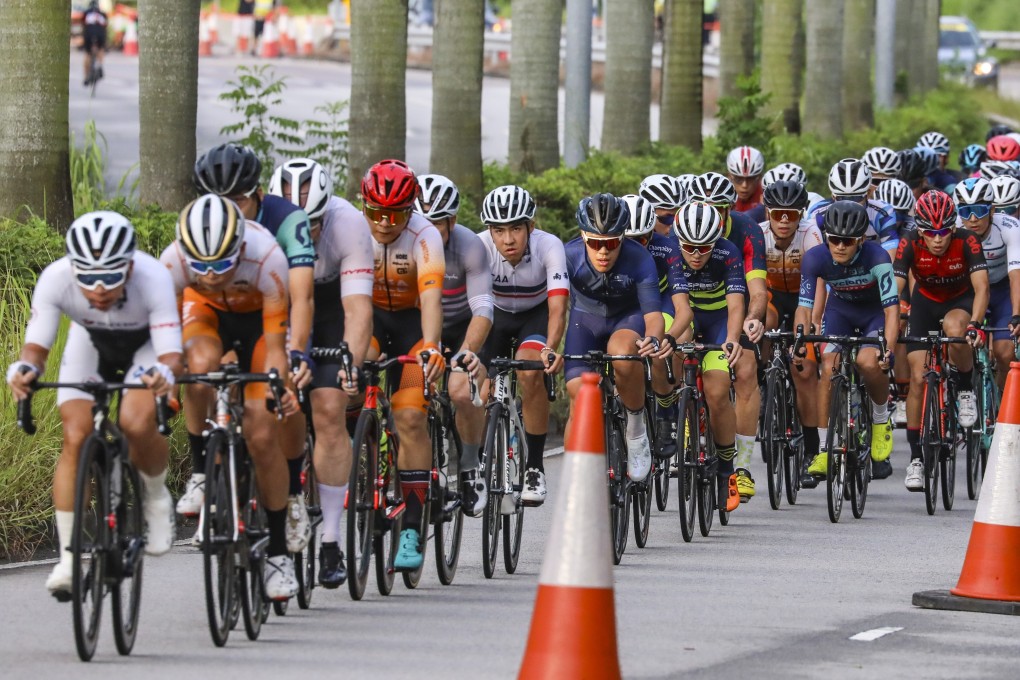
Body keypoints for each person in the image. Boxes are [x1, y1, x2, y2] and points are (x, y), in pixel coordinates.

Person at [8, 212, 181, 599]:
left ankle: (155, 496)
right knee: (75, 436)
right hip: (90, 345)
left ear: (130, 266)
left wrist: (163, 376)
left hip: (144, 348)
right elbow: (36, 348)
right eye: (86, 277)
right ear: (73, 268)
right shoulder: (55, 278)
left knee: (135, 423)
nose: (99, 288)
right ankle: (69, 559)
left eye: (110, 276)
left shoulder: (153, 278)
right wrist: (24, 369)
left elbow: (171, 355)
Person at [162, 194, 300, 599]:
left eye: (221, 265)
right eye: (199, 266)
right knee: (198, 370)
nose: (209, 275)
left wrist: (281, 387)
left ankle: (278, 553)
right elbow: (167, 342)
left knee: (261, 434)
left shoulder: (268, 256)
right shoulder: (172, 263)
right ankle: (203, 472)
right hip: (205, 314)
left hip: (261, 323)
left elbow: (277, 349)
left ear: (239, 248)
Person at [192, 144, 316, 557]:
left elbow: (301, 297)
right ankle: (208, 473)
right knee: (200, 370)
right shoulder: (198, 225)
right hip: (220, 315)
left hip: (272, 318)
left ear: (258, 192)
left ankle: (294, 488)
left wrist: (297, 352)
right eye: (219, 200)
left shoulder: (285, 220)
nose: (231, 210)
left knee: (276, 409)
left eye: (240, 200)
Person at [268, 158, 374, 588]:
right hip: (283, 303)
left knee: (330, 408)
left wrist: (351, 361)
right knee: (280, 402)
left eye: (312, 223)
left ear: (326, 211)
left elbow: (358, 308)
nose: (304, 233)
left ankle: (330, 539)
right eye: (294, 222)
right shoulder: (262, 227)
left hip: (331, 303)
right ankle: (289, 493)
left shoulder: (349, 226)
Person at [360, 160, 446, 571]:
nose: (383, 223)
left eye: (394, 214)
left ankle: (412, 524)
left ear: (411, 210)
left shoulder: (425, 236)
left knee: (410, 416)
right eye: (375, 212)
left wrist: (431, 347)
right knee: (345, 378)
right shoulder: (353, 230)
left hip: (413, 328)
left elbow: (431, 298)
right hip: (370, 322)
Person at [564, 194, 669, 481]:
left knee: (623, 354)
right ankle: (578, 472)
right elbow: (556, 306)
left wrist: (654, 339)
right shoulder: (568, 256)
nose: (602, 252)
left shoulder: (639, 257)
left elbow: (653, 316)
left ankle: (636, 430)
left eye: (611, 243)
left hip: (628, 317)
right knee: (579, 392)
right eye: (595, 243)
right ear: (582, 237)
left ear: (622, 238)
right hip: (585, 320)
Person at [796, 202, 899, 485]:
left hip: (874, 314)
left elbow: (892, 312)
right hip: (840, 310)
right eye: (834, 239)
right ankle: (826, 448)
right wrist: (800, 342)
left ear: (861, 240)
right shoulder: (814, 258)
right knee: (828, 366)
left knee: (867, 361)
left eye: (848, 241)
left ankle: (880, 420)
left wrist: (886, 350)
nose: (839, 246)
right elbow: (803, 309)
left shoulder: (878, 258)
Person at [477, 185, 568, 506]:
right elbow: (469, 306)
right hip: (494, 316)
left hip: (535, 316)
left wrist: (551, 347)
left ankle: (534, 467)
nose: (508, 239)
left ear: (531, 225)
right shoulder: (479, 247)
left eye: (516, 228)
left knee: (530, 374)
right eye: (498, 230)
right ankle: (477, 460)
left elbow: (558, 306)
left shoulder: (549, 246)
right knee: (481, 388)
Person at [894, 190, 989, 491]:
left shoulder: (966, 241)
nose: (938, 239)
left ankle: (963, 388)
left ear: (953, 227)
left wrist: (975, 324)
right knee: (920, 378)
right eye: (931, 233)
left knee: (955, 327)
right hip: (925, 302)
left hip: (960, 300)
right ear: (920, 230)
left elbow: (982, 287)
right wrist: (892, 316)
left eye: (944, 231)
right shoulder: (909, 241)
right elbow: (896, 287)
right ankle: (916, 458)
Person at [414, 174, 494, 517]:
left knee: (462, 390)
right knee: (412, 391)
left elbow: (484, 308)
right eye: (421, 222)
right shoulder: (403, 244)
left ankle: (469, 464)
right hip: (419, 325)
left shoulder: (469, 246)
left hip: (463, 325)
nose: (428, 232)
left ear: (453, 221)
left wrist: (465, 353)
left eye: (437, 224)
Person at [687, 172, 767, 502]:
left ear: (730, 209)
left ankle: (743, 468)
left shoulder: (746, 230)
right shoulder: (682, 225)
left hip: (732, 309)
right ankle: (683, 429)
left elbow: (757, 291)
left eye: (718, 209)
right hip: (689, 309)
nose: (709, 215)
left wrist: (751, 320)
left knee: (745, 370)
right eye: (701, 206)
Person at [673, 201, 745, 512]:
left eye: (704, 247)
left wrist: (731, 341)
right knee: (676, 345)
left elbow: (735, 305)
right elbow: (676, 310)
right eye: (690, 246)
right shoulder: (672, 254)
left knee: (717, 390)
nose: (697, 254)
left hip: (717, 321)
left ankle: (727, 470)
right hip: (686, 316)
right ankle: (680, 406)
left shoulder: (727, 253)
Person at [621, 193, 694, 457]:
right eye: (627, 240)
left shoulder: (666, 248)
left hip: (660, 302)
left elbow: (684, 308)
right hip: (626, 307)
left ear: (651, 233)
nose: (635, 247)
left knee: (664, 345)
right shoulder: (606, 250)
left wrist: (671, 338)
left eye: (641, 239)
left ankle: (666, 408)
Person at [758, 180, 824, 471]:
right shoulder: (758, 234)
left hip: (803, 297)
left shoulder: (810, 234)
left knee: (805, 369)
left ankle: (812, 447)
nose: (784, 221)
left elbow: (818, 281)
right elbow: (753, 286)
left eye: (792, 214)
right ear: (768, 211)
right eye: (778, 213)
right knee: (764, 321)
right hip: (771, 296)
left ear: (802, 213)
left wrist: (814, 321)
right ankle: (762, 379)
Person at [953, 178, 1020, 387]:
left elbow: (1016, 275)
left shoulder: (1010, 227)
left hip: (1001, 290)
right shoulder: (953, 228)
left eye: (980, 210)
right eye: (966, 211)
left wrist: (1017, 315)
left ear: (991, 211)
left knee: (1004, 352)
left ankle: (1002, 406)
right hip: (969, 290)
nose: (973, 219)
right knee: (954, 339)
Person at [809, 159, 899, 253]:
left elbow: (890, 259)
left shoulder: (883, 213)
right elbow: (814, 256)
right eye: (841, 198)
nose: (849, 205)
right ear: (833, 197)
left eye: (855, 198)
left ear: (868, 194)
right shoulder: (817, 214)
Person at [726, 145, 767, 223]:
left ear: (759, 177)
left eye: (751, 179)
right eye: (738, 179)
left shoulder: (766, 193)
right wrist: (759, 210)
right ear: (729, 176)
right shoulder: (721, 193)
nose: (744, 185)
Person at [81, 0, 108, 87]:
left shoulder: (86, 13)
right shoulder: (103, 14)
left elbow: (83, 25)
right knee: (100, 49)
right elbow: (105, 27)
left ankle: (85, 77)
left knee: (87, 54)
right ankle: (100, 66)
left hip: (89, 34)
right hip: (100, 34)